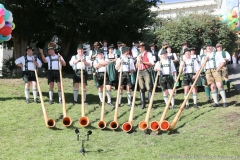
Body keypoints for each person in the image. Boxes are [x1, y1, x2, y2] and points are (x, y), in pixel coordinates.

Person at [201, 43, 227, 107]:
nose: (209, 48)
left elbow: (223, 62)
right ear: (206, 49)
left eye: (210, 46)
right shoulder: (204, 56)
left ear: (212, 48)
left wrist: (218, 69)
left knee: (219, 85)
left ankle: (224, 101)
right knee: (212, 87)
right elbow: (202, 66)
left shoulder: (216, 54)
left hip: (215, 70)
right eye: (207, 47)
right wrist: (205, 60)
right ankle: (216, 102)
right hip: (208, 72)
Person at [136, 42, 154, 109]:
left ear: (143, 47)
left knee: (149, 87)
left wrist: (143, 62)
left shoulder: (148, 54)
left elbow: (152, 63)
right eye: (139, 47)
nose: (139, 48)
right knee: (141, 87)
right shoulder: (139, 55)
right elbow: (136, 66)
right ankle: (143, 104)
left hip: (146, 71)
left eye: (140, 47)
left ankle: (150, 104)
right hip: (140, 72)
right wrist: (138, 61)